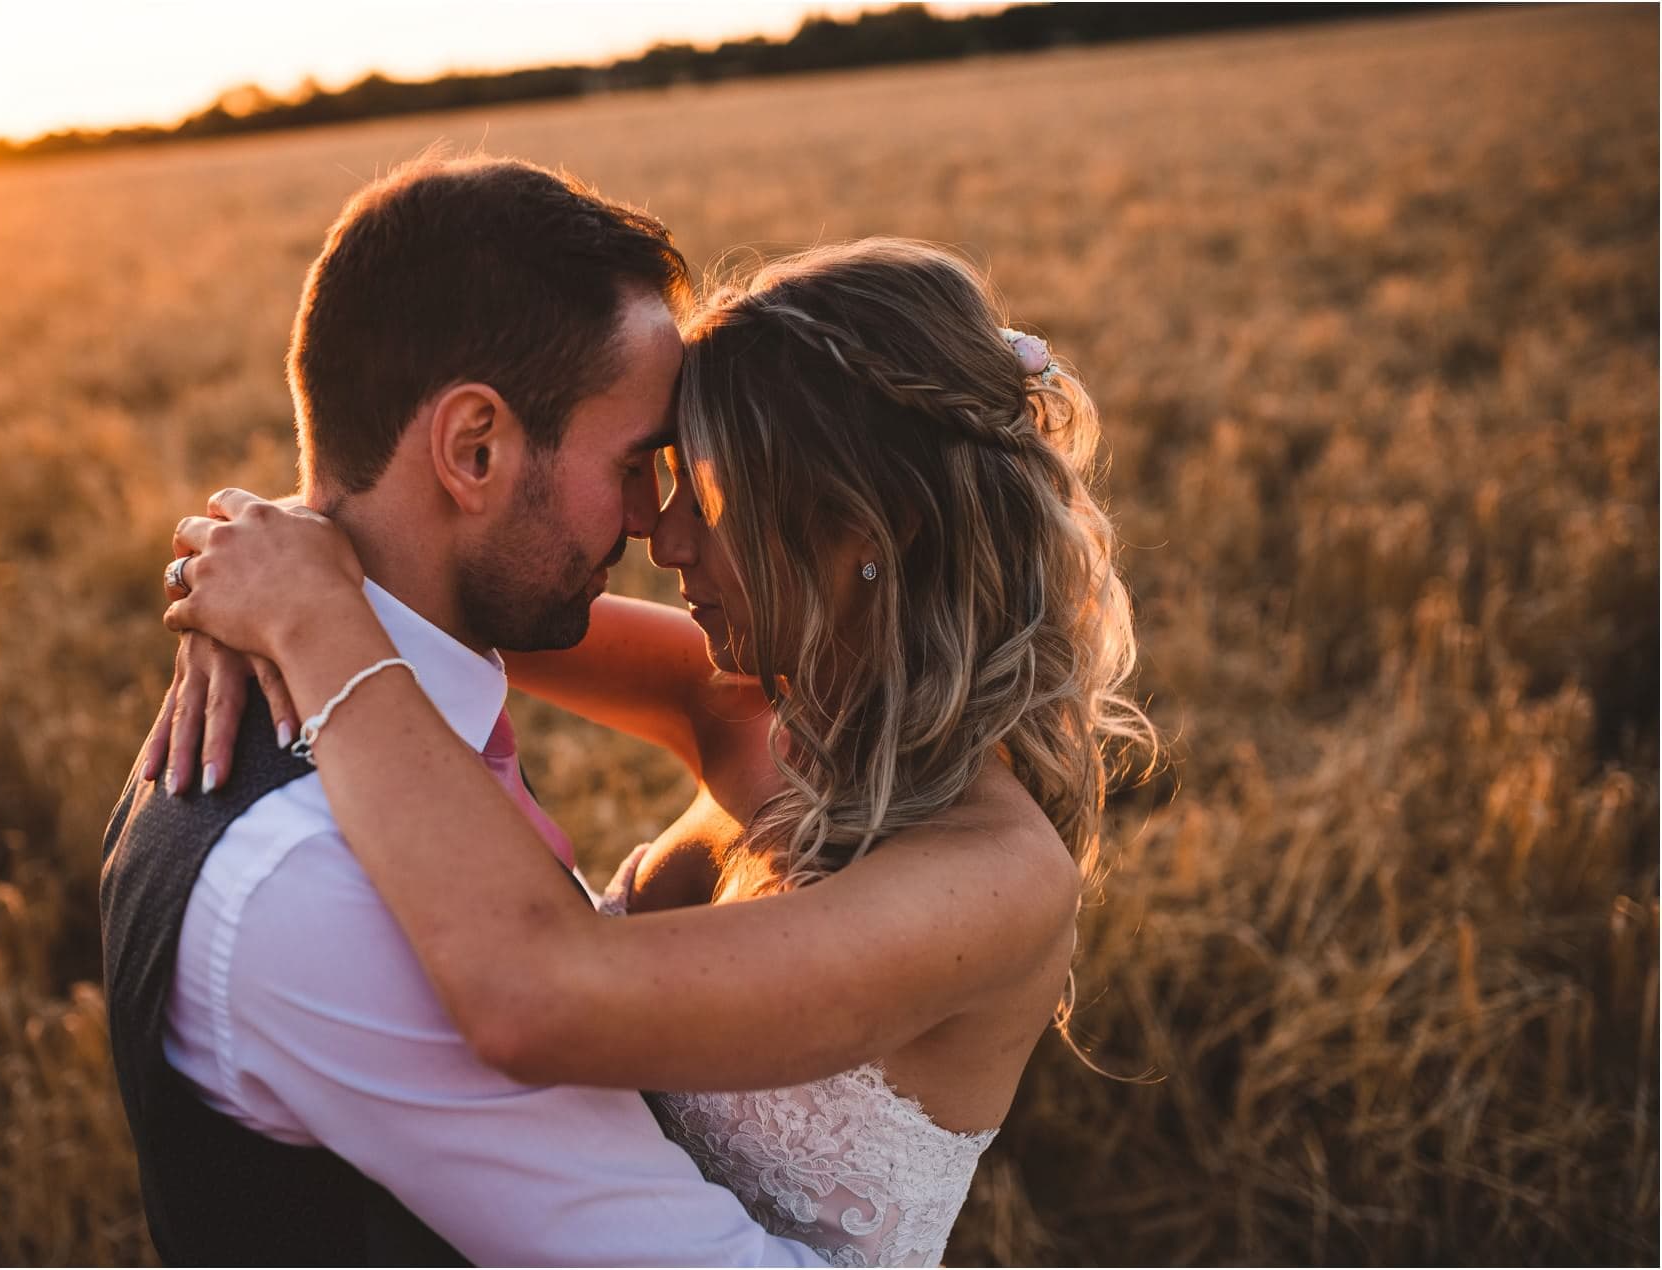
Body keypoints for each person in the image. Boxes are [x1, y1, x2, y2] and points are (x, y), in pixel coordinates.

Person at [152, 237, 1156, 1266]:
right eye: (652, 475)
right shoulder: (749, 704)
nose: (662, 538)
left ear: (869, 529)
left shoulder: (991, 881)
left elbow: (538, 994)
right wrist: (258, 566)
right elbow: (456, 574)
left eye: (710, 497)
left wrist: (317, 627)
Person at [100, 154, 834, 1267]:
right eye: (636, 463)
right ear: (474, 447)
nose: (652, 521)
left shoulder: (342, 691)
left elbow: (712, 688)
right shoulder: (324, 879)